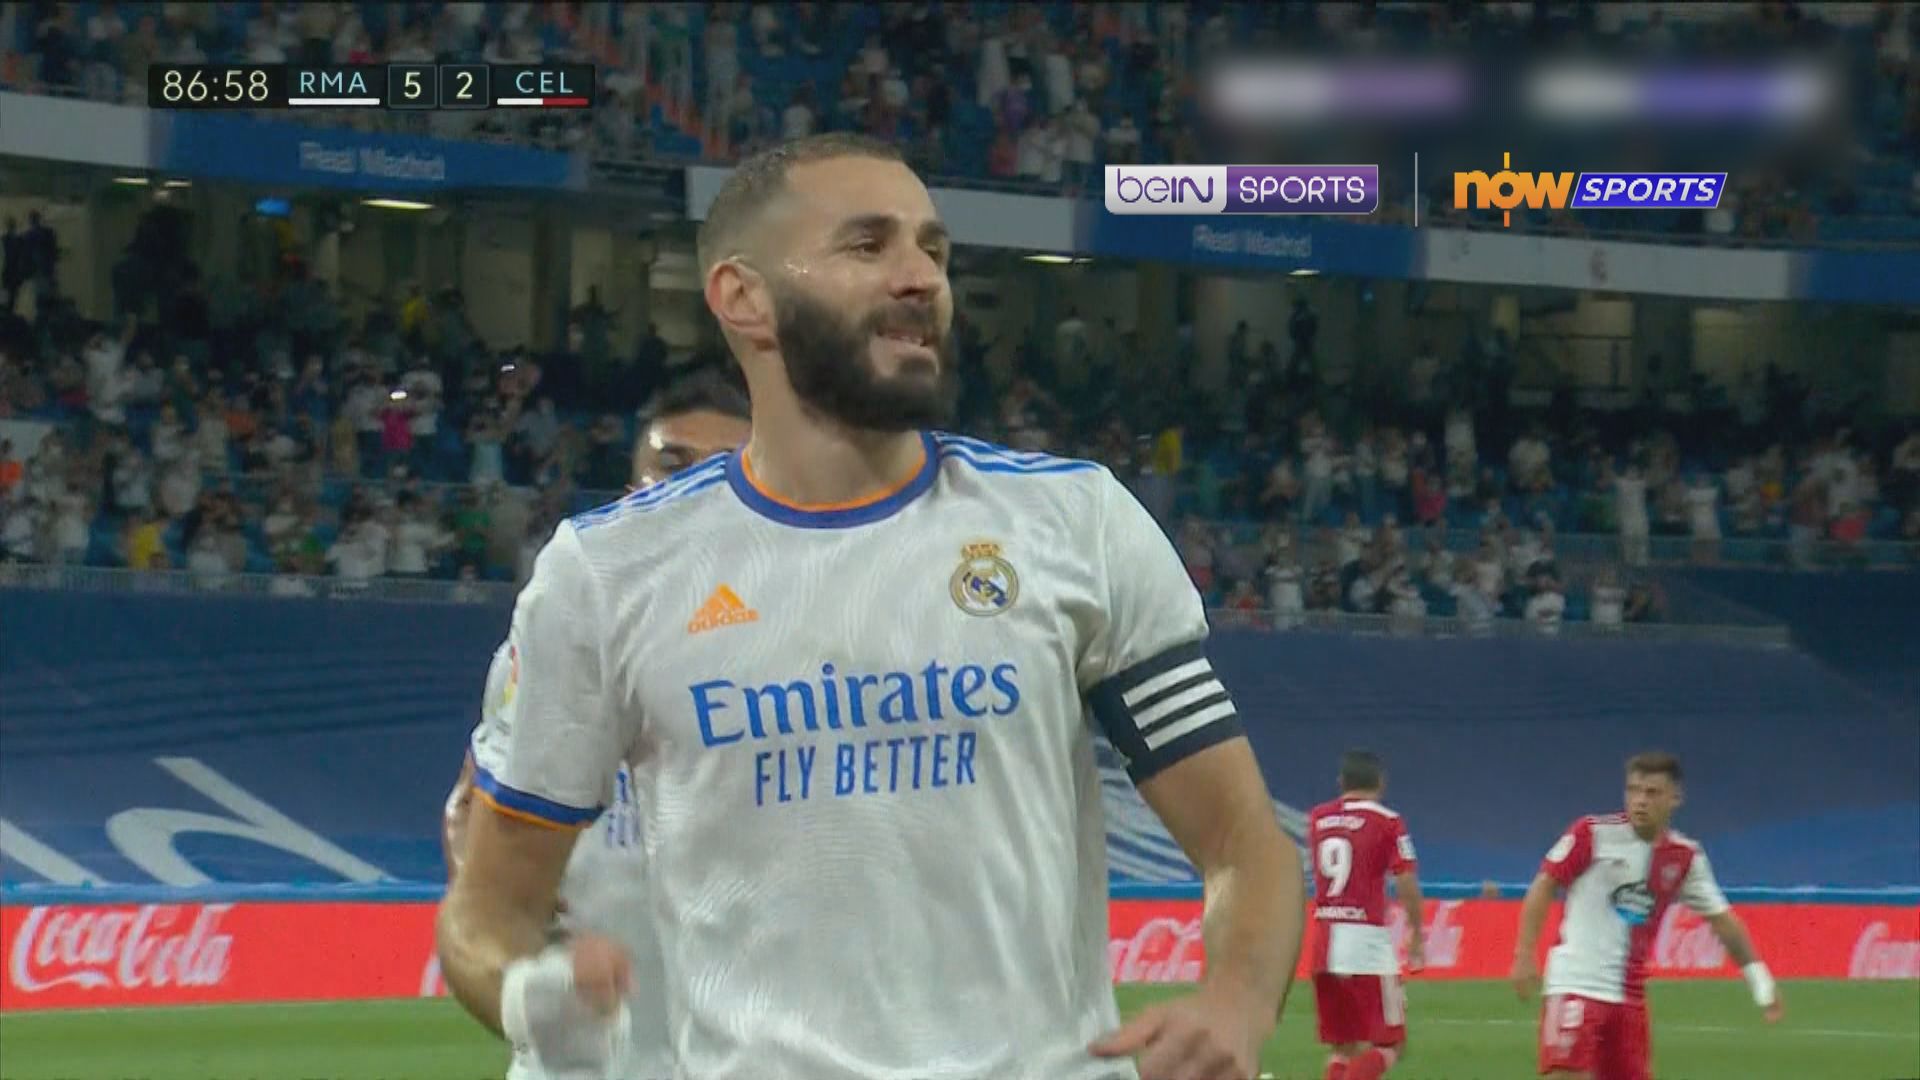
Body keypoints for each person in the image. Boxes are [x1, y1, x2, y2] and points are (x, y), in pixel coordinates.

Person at [436, 132, 1303, 1080]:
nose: (920, 276)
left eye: (933, 249)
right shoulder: (606, 574)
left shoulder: (1075, 524)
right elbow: (489, 913)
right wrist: (526, 994)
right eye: (867, 244)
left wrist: (1236, 1000)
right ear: (743, 298)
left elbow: (1242, 842)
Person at [441, 373, 750, 1080]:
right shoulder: (566, 635)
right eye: (672, 465)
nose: (693, 489)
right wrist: (522, 939)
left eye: (725, 470)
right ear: (632, 491)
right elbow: (471, 805)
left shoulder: (809, 650)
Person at [1512, 752, 1784, 1080]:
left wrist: (1760, 980)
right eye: (1633, 790)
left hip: (1629, 999)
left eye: (1652, 792)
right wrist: (1524, 953)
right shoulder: (1592, 834)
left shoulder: (1685, 857)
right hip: (1576, 984)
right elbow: (1545, 883)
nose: (1640, 800)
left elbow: (1723, 921)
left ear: (1675, 798)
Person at [1307, 751, 1424, 1080]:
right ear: (1381, 783)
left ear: (1341, 782)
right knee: (1391, 1043)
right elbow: (1405, 879)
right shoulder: (1388, 821)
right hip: (1365, 944)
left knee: (1343, 1047)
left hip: (1323, 943)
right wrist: (1416, 931)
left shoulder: (1317, 819)